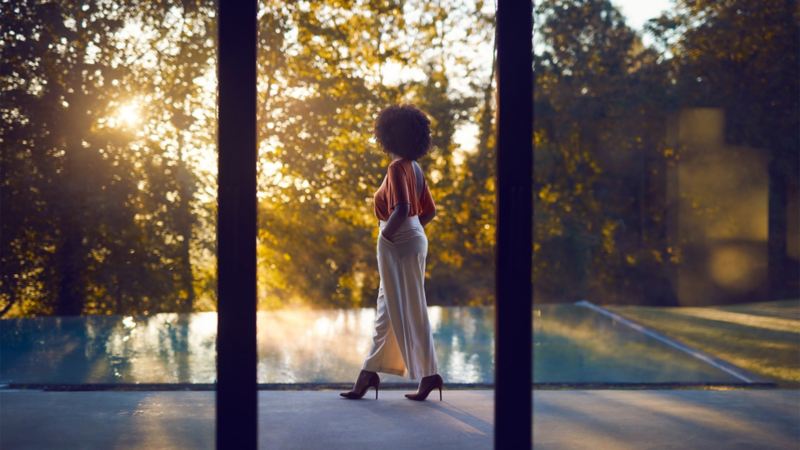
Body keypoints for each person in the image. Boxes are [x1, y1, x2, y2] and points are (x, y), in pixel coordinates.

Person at [340, 105, 444, 401]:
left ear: (388, 135)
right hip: (412, 237)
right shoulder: (415, 168)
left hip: (396, 238)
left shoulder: (397, 168)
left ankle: (430, 374)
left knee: (411, 306)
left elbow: (401, 209)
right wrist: (413, 231)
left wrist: (388, 236)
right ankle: (368, 373)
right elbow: (430, 212)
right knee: (389, 306)